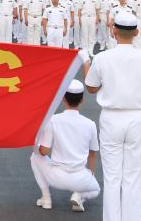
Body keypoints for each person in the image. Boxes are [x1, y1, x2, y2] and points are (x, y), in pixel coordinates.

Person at [85, 10, 141, 221]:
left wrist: (86, 64)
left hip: (111, 118)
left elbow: (91, 88)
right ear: (137, 33)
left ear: (113, 31)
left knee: (112, 175)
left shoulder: (103, 58)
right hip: (138, 117)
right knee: (133, 176)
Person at [30, 79, 101, 212]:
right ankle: (79, 196)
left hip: (56, 177)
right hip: (80, 178)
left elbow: (44, 151)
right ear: (82, 99)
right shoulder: (90, 124)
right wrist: (88, 178)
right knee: (96, 190)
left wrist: (34, 145)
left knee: (34, 157)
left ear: (63, 98)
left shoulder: (53, 120)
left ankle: (46, 198)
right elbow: (92, 155)